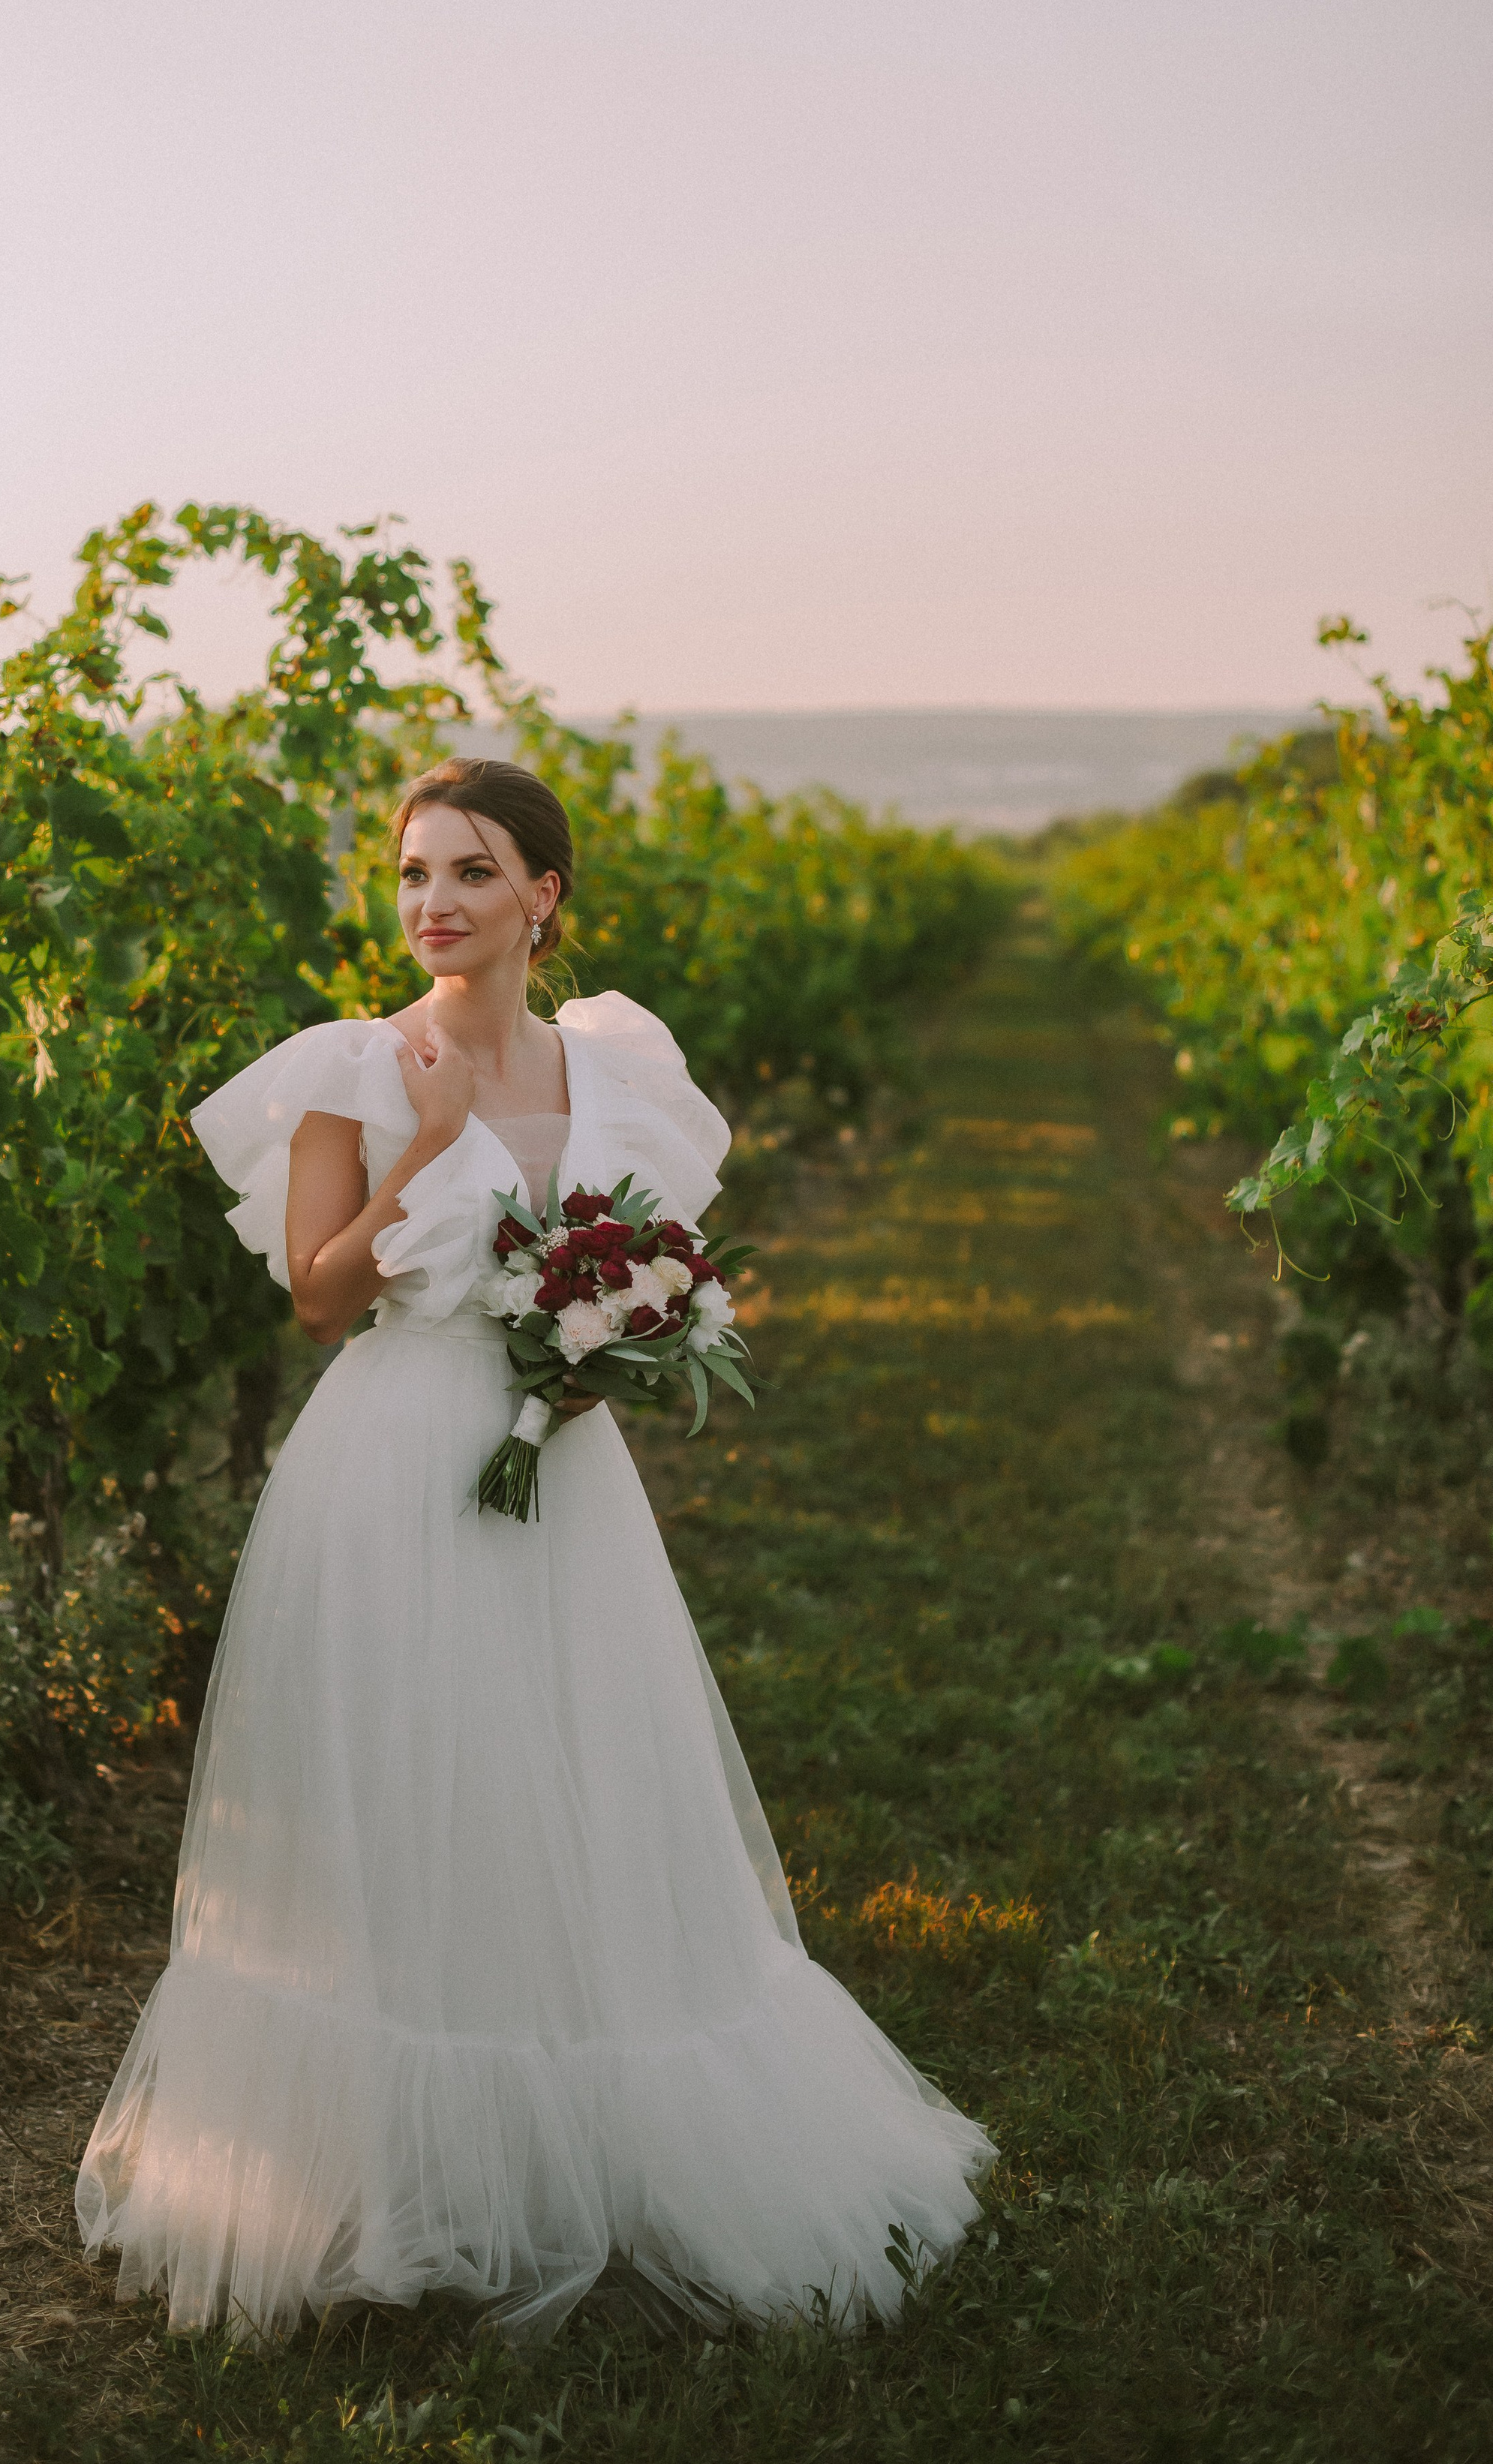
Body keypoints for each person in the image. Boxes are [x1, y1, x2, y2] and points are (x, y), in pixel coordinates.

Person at [75, 755, 994, 2340]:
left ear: (541, 898)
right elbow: (313, 1295)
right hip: (386, 1466)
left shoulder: (613, 1067)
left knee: (567, 1778)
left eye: (472, 872)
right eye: (416, 872)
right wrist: (427, 1144)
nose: (434, 902)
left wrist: (620, 1335)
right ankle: (391, 2171)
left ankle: (585, 2155)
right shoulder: (352, 1067)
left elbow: (648, 1258)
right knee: (407, 1782)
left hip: (556, 1470)